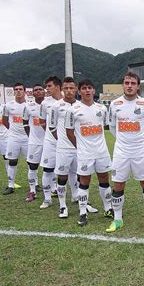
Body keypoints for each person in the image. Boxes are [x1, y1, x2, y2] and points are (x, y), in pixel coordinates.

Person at [106, 71, 144, 232]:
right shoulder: (115, 104)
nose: (129, 86)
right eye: (127, 83)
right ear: (123, 85)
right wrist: (124, 140)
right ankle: (117, 219)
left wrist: (138, 139)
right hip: (121, 151)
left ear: (138, 86)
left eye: (133, 83)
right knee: (118, 184)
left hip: (140, 150)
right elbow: (112, 127)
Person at [66, 79, 113, 226]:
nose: (87, 91)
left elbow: (106, 126)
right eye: (84, 88)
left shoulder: (102, 108)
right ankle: (82, 213)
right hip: (85, 153)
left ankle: (108, 208)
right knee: (84, 181)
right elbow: (69, 132)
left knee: (104, 179)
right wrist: (79, 147)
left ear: (93, 90)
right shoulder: (73, 110)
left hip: (101, 152)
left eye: (90, 88)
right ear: (79, 91)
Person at [49, 77, 98, 218]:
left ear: (76, 89)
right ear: (62, 89)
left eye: (71, 88)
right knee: (62, 178)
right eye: (66, 88)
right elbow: (51, 127)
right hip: (63, 149)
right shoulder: (56, 106)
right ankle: (62, 206)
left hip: (80, 148)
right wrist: (61, 141)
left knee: (81, 176)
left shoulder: (81, 106)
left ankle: (82, 201)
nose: (69, 91)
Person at [39, 76, 62, 208]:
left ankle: (75, 196)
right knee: (47, 169)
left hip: (66, 142)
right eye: (46, 86)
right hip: (50, 141)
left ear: (57, 87)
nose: (46, 89)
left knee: (70, 171)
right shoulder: (45, 103)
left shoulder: (68, 100)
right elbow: (42, 121)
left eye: (49, 86)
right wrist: (50, 133)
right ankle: (47, 198)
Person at [2, 83, 29, 195]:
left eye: (20, 89)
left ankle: (35, 184)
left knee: (31, 162)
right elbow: (4, 120)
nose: (18, 91)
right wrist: (12, 130)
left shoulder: (29, 105)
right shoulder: (8, 105)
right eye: (16, 89)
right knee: (12, 161)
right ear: (14, 92)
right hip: (13, 138)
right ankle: (10, 185)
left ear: (25, 91)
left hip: (27, 138)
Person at [22, 84, 45, 201]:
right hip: (34, 142)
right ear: (33, 93)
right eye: (35, 90)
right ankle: (32, 191)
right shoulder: (28, 106)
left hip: (49, 142)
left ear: (44, 91)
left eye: (40, 89)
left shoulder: (50, 105)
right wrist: (30, 135)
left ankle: (53, 188)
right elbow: (24, 122)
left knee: (50, 167)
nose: (38, 91)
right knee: (32, 166)